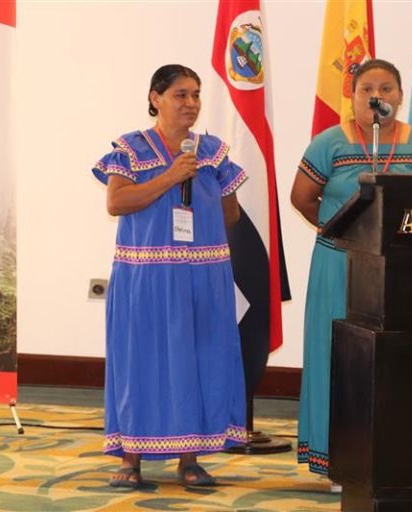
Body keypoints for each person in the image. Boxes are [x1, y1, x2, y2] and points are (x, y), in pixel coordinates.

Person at [290, 59, 412, 488]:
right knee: (336, 356)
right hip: (337, 264)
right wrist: (340, 231)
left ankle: (399, 452)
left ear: (399, 96)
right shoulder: (328, 143)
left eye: (386, 89)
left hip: (402, 270)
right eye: (367, 89)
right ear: (354, 95)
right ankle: (339, 460)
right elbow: (303, 198)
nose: (377, 96)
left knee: (399, 358)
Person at [92, 64, 248, 489]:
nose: (192, 103)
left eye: (196, 95)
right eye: (181, 94)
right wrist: (171, 177)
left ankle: (190, 458)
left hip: (203, 276)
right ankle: (131, 458)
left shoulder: (213, 151)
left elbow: (230, 215)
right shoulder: (128, 149)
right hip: (146, 276)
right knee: (138, 360)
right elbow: (118, 203)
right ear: (155, 97)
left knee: (197, 360)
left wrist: (213, 190)